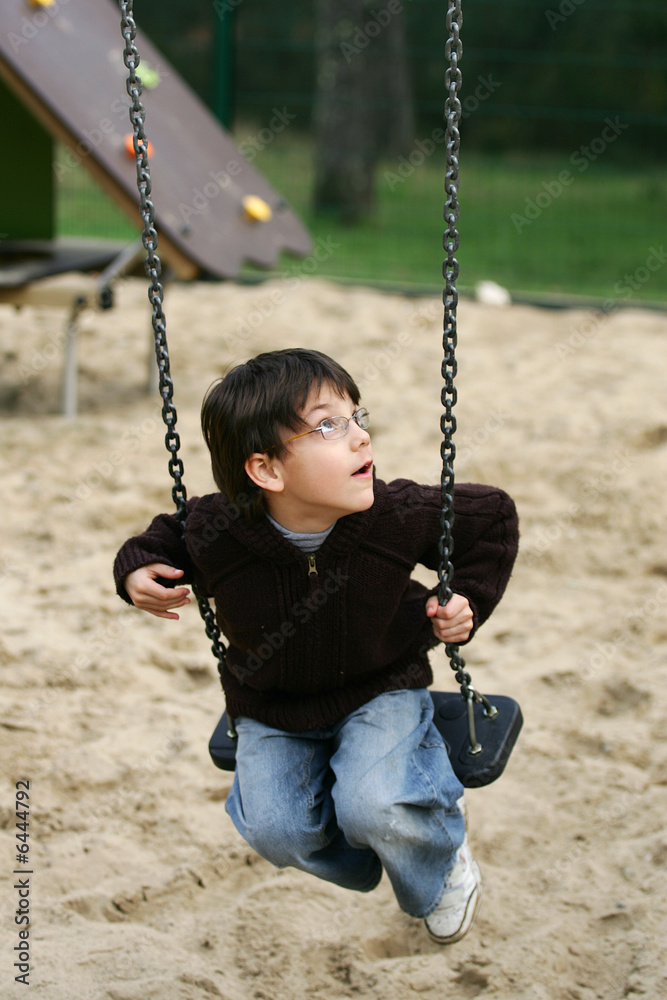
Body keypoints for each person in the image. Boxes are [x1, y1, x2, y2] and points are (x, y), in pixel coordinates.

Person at [113, 348, 519, 943]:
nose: (360, 439)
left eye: (358, 418)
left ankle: (438, 853)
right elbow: (160, 540)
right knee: (276, 831)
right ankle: (383, 847)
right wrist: (136, 571)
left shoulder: (394, 514)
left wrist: (468, 602)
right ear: (267, 471)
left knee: (376, 805)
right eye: (329, 426)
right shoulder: (216, 529)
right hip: (272, 705)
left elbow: (491, 518)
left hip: (381, 686)